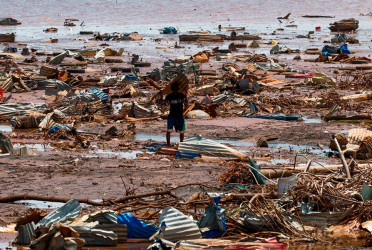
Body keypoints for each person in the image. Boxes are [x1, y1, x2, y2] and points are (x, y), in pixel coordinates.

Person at [165, 82, 188, 146]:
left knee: (182, 131)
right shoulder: (169, 96)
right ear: (172, 89)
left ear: (177, 89)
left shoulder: (181, 95)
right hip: (172, 115)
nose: (175, 90)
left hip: (180, 115)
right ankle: (168, 144)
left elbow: (186, 103)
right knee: (169, 130)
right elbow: (164, 103)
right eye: (174, 88)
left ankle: (181, 144)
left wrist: (186, 96)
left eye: (176, 88)